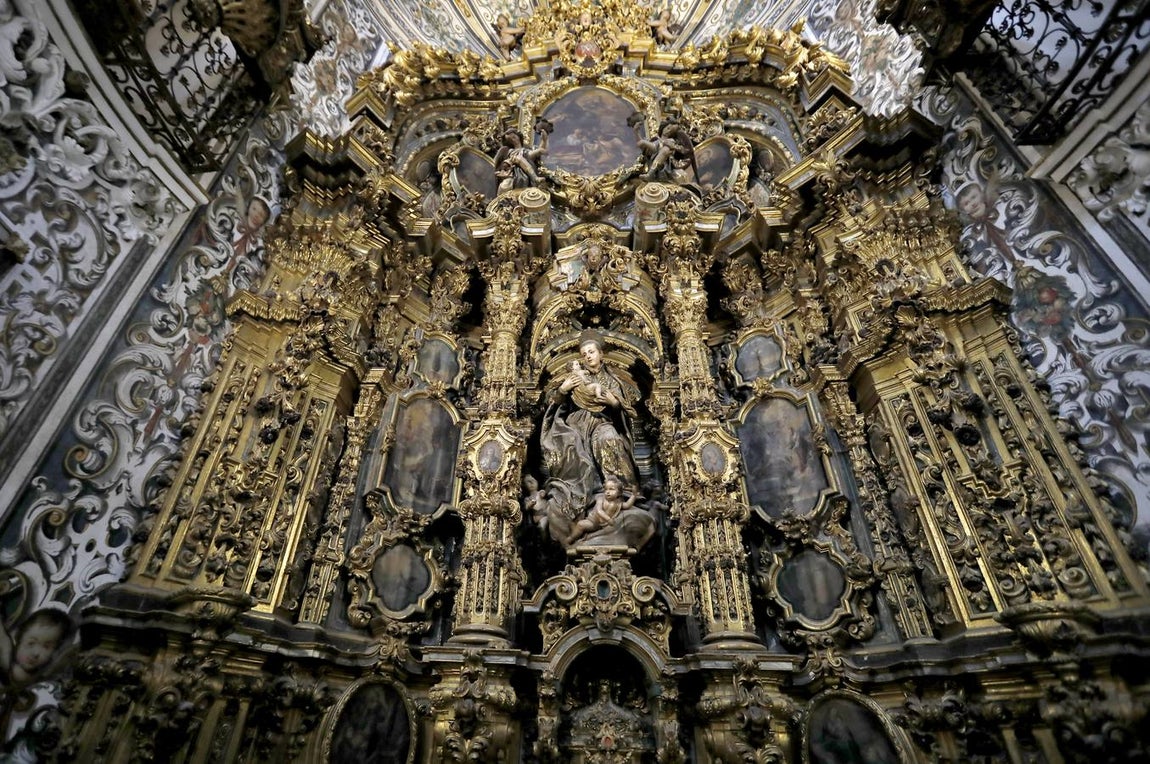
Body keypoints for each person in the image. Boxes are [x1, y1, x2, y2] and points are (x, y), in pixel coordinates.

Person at [539, 332, 640, 525]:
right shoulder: (574, 378)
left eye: (591, 352)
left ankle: (620, 494)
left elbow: (624, 416)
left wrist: (614, 403)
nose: (588, 356)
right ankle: (581, 500)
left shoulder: (612, 381)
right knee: (572, 446)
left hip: (602, 423)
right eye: (584, 354)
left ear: (601, 354)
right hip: (576, 425)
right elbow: (555, 405)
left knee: (609, 439)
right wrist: (563, 389)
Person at [0, 608, 71, 685]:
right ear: (18, 637)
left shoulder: (22, 674)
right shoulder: (8, 651)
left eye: (46, 647)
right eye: (31, 643)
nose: (36, 653)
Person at [565, 476, 640, 545]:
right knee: (581, 525)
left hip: (601, 525)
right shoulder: (601, 499)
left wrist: (634, 495)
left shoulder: (618, 503)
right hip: (593, 521)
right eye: (606, 489)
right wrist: (608, 519)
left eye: (611, 489)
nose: (607, 492)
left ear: (619, 493)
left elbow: (627, 505)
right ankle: (571, 538)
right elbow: (599, 511)